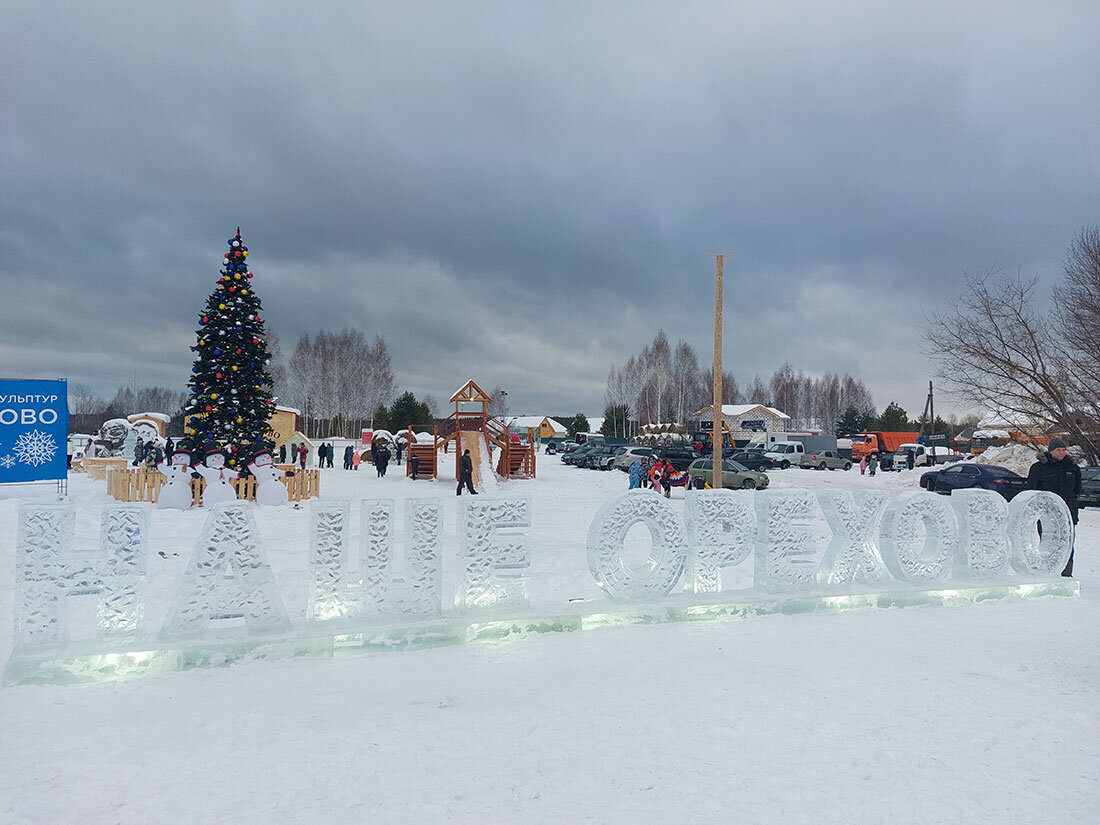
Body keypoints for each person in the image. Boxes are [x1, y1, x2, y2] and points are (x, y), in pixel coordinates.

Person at [1026, 437, 1081, 577]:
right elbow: (1032, 491)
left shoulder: (1073, 468)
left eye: (1064, 450)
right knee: (1049, 544)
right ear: (1051, 451)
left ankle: (1066, 575)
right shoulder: (1039, 468)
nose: (1062, 453)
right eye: (1058, 450)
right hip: (1047, 516)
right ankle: (1049, 573)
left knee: (1068, 545)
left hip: (1068, 513)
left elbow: (1077, 490)